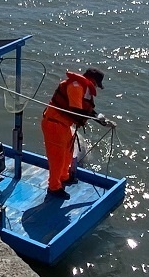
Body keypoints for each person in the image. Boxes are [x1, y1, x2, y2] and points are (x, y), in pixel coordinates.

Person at [40, 67, 109, 200]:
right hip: (54, 124)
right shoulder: (76, 87)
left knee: (68, 152)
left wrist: (102, 120)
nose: (95, 87)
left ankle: (64, 177)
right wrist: (95, 118)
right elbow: (75, 111)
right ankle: (54, 187)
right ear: (92, 80)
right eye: (96, 84)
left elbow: (85, 110)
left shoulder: (82, 87)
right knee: (57, 157)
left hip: (64, 125)